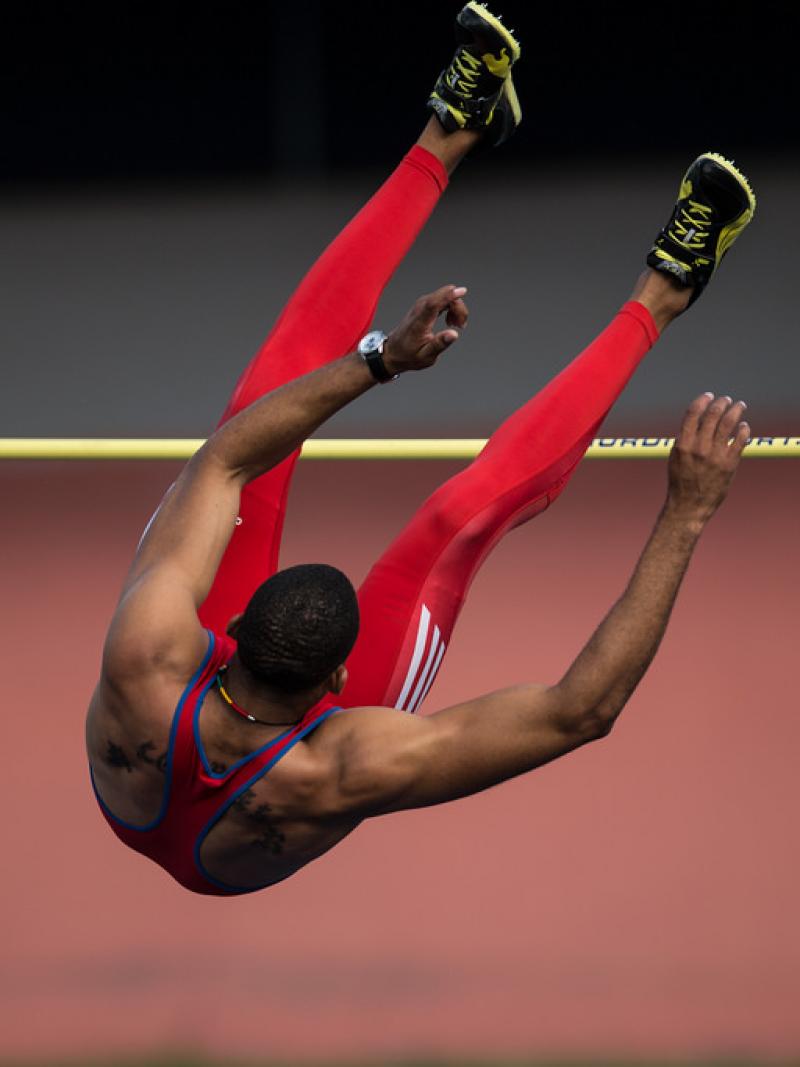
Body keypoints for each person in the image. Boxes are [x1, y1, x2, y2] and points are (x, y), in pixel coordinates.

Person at [86, 2, 756, 896]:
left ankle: (452, 131)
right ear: (336, 681)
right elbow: (574, 713)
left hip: (183, 737)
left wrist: (378, 361)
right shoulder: (348, 758)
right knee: (457, 520)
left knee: (253, 423)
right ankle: (664, 293)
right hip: (266, 791)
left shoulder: (149, 652)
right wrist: (687, 512)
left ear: (229, 626)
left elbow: (227, 459)